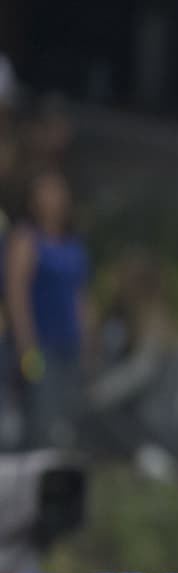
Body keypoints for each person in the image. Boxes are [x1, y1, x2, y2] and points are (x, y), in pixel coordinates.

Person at [3, 171, 91, 448]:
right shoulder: (26, 239)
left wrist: (88, 339)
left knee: (65, 421)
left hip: (70, 345)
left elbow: (80, 296)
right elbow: (16, 294)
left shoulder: (73, 243)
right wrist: (26, 346)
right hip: (40, 347)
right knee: (39, 418)